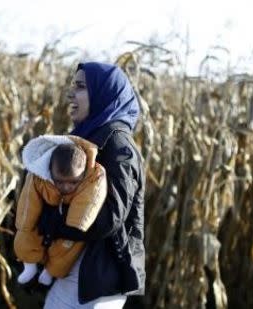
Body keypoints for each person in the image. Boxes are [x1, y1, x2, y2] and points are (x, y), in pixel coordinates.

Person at [41, 62, 146, 308]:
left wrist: (52, 222)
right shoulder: (90, 139)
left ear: (103, 92)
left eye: (80, 87)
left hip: (99, 280)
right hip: (77, 271)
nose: (70, 94)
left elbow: (109, 218)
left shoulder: (118, 145)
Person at [14, 134, 107, 286]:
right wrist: (26, 221)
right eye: (59, 182)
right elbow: (28, 199)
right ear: (49, 170)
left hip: (69, 215)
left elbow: (90, 199)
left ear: (83, 173)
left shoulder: (93, 177)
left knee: (70, 245)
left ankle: (51, 271)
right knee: (26, 232)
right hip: (45, 209)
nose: (66, 187)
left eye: (73, 182)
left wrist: (76, 222)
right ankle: (29, 264)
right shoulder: (39, 176)